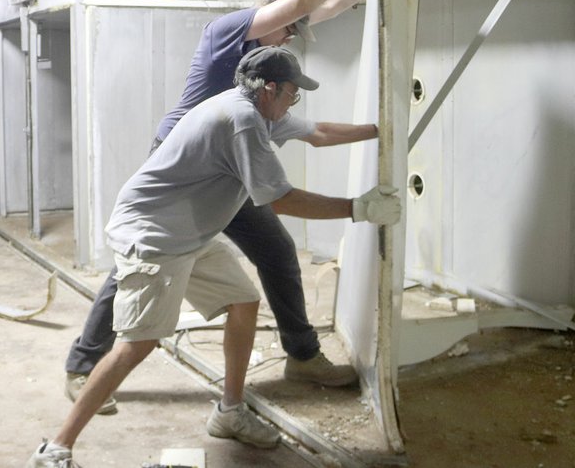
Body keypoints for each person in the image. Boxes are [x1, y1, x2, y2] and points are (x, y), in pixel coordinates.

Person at [64, 0, 408, 415]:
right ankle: (83, 365)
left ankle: (302, 354)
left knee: (276, 251)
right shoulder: (227, 31)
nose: (291, 38)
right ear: (269, 13)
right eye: (287, 27)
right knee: (141, 262)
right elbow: (308, 3)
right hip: (183, 161)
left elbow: (322, 9)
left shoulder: (268, 64)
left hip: (231, 168)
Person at [26, 46, 401, 467]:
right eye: (292, 94)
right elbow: (279, 198)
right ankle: (55, 449)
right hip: (155, 237)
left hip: (191, 234)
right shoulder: (241, 120)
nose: (294, 103)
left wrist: (382, 129)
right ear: (269, 89)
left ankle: (229, 412)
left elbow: (319, 133)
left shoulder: (259, 111)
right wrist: (358, 208)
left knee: (244, 302)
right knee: (138, 345)